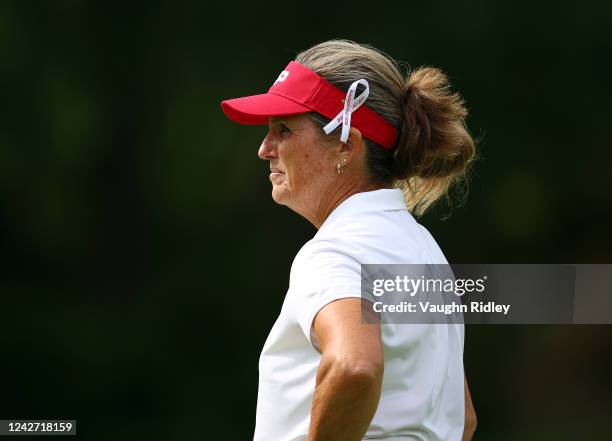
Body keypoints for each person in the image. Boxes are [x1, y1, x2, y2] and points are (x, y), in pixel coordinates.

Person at [221, 39, 477, 441]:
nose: (264, 149)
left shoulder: (336, 249)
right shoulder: (425, 250)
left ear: (345, 143)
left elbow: (354, 366)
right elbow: (462, 419)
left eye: (283, 130)